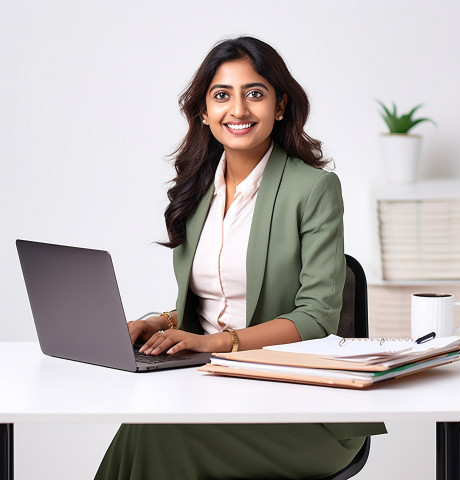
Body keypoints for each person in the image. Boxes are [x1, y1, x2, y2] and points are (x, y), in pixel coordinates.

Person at [95, 36, 386, 480]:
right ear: (204, 112)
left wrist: (213, 344)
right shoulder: (194, 194)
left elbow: (317, 318)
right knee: (144, 425)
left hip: (297, 406)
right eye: (221, 95)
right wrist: (160, 323)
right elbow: (222, 300)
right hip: (205, 387)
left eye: (255, 93)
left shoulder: (313, 189)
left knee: (157, 433)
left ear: (280, 105)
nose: (239, 110)